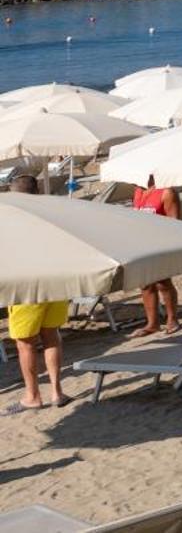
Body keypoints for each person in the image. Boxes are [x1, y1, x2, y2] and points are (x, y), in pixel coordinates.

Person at [6, 176, 71, 411]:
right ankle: (56, 391)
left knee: (26, 344)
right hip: (55, 284)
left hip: (26, 288)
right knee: (52, 336)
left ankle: (32, 395)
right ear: (38, 190)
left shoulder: (11, 221)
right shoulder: (54, 216)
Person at [131, 175, 182, 335]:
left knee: (163, 282)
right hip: (142, 242)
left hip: (161, 243)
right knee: (145, 284)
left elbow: (174, 222)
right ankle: (152, 323)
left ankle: (172, 319)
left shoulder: (166, 192)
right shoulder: (138, 191)